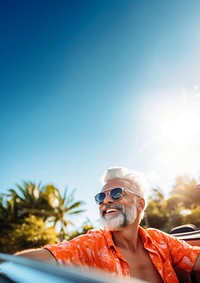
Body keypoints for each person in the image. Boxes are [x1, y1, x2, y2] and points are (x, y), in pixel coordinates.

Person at [16, 166, 200, 283]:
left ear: (140, 203)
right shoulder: (92, 244)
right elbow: (45, 257)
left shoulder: (160, 240)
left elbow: (195, 259)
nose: (106, 201)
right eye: (101, 197)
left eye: (117, 193)